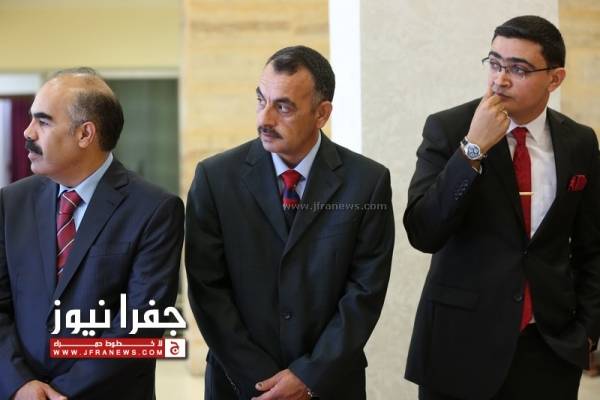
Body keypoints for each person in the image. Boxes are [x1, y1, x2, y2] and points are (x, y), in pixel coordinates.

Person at [404, 15, 600, 400]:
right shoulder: (449, 129)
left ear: (555, 79)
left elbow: (592, 246)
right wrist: (472, 150)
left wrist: (588, 331)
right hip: (459, 347)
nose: (500, 79)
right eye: (494, 63)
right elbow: (423, 231)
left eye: (518, 69)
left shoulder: (579, 142)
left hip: (550, 349)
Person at [186, 45, 395, 400]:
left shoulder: (367, 182)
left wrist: (308, 376)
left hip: (329, 385)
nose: (264, 120)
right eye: (261, 100)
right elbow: (208, 290)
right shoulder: (215, 178)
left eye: (283, 107)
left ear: (322, 113)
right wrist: (262, 380)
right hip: (239, 385)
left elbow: (364, 292)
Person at [0, 68, 184, 400]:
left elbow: (141, 323)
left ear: (85, 134)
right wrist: (20, 385)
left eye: (43, 122)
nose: (27, 132)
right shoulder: (10, 202)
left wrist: (58, 395)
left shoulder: (155, 209)